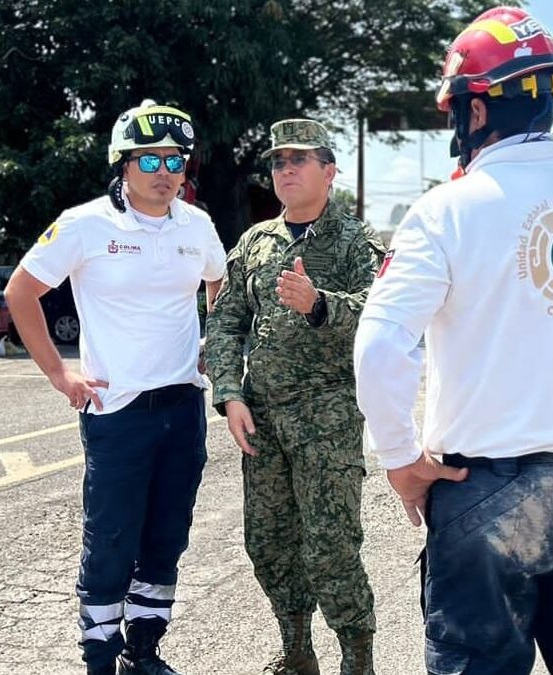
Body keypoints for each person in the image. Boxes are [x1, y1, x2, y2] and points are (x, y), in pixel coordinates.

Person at [353, 8, 553, 674]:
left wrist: (400, 458)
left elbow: (381, 347)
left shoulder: (444, 211)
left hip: (486, 486)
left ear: (473, 114)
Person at [4, 99, 226, 675]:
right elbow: (20, 293)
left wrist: (210, 343)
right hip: (117, 410)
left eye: (175, 161)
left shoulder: (196, 226)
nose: (164, 173)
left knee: (166, 537)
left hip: (183, 404)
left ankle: (144, 652)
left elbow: (218, 283)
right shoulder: (85, 224)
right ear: (122, 165)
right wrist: (61, 373)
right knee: (111, 541)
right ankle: (99, 658)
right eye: (148, 161)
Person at [204, 119, 385, 675]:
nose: (285, 171)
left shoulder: (358, 242)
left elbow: (384, 319)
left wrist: (321, 304)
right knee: (270, 545)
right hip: (262, 420)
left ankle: (358, 661)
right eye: (279, 162)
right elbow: (225, 321)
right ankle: (298, 651)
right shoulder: (256, 242)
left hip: (326, 419)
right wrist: (230, 393)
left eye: (298, 160)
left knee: (330, 547)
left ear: (329, 172)